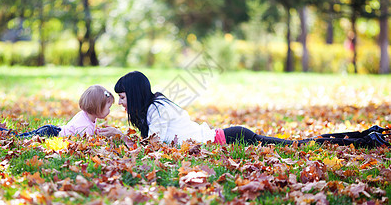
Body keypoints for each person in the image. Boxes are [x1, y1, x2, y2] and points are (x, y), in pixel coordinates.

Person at [97, 71, 390, 149]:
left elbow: (155, 146)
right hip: (227, 135)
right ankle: (365, 135)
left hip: (231, 138)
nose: (120, 103)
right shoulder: (154, 108)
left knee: (299, 145)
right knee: (298, 144)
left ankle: (364, 139)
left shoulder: (155, 111)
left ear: (133, 95)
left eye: (122, 97)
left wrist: (121, 137)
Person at [0, 85, 114, 138]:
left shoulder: (85, 116)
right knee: (19, 139)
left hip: (52, 130)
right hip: (50, 134)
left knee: (20, 136)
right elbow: (84, 141)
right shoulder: (84, 125)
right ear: (97, 108)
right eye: (108, 107)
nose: (109, 110)